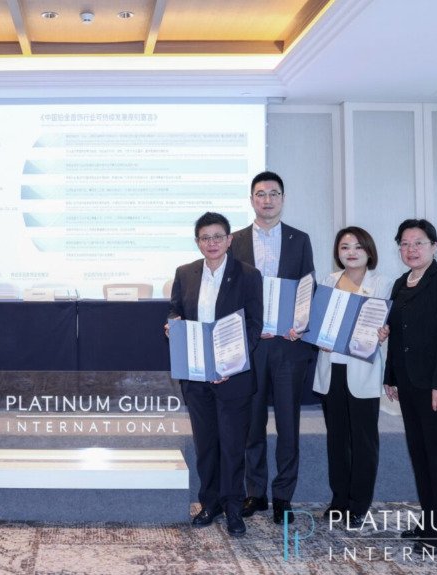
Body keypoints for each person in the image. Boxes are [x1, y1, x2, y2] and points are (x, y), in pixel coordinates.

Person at [166, 212, 262, 538]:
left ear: (229, 239)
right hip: (196, 377)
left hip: (232, 376)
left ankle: (234, 509)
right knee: (206, 445)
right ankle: (209, 504)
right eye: (205, 238)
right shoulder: (185, 273)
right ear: (197, 242)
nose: (212, 243)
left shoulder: (248, 275)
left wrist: (229, 364)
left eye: (218, 237)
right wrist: (173, 324)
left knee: (233, 446)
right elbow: (176, 309)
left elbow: (253, 326)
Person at [229, 170, 316, 524]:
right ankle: (255, 493)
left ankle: (283, 496)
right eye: (261, 194)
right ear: (251, 200)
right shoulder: (233, 240)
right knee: (251, 424)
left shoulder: (300, 239)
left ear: (283, 199)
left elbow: (307, 287)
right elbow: (228, 293)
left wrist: (300, 324)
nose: (267, 200)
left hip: (287, 346)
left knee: (288, 424)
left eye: (274, 194)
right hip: (250, 346)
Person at [383, 218, 437, 555]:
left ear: (434, 245)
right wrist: (390, 375)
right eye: (404, 244)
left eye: (418, 242)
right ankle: (430, 522)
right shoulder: (401, 283)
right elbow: (396, 334)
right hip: (408, 383)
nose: (411, 249)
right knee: (420, 456)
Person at [312, 226, 391, 528]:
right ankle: (339, 500)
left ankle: (359, 504)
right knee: (337, 440)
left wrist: (385, 332)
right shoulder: (327, 281)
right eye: (345, 247)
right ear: (338, 253)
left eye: (358, 246)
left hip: (363, 371)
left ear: (369, 251)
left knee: (363, 441)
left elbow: (385, 325)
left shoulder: (382, 284)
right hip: (332, 369)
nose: (351, 252)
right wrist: (315, 333)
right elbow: (317, 324)